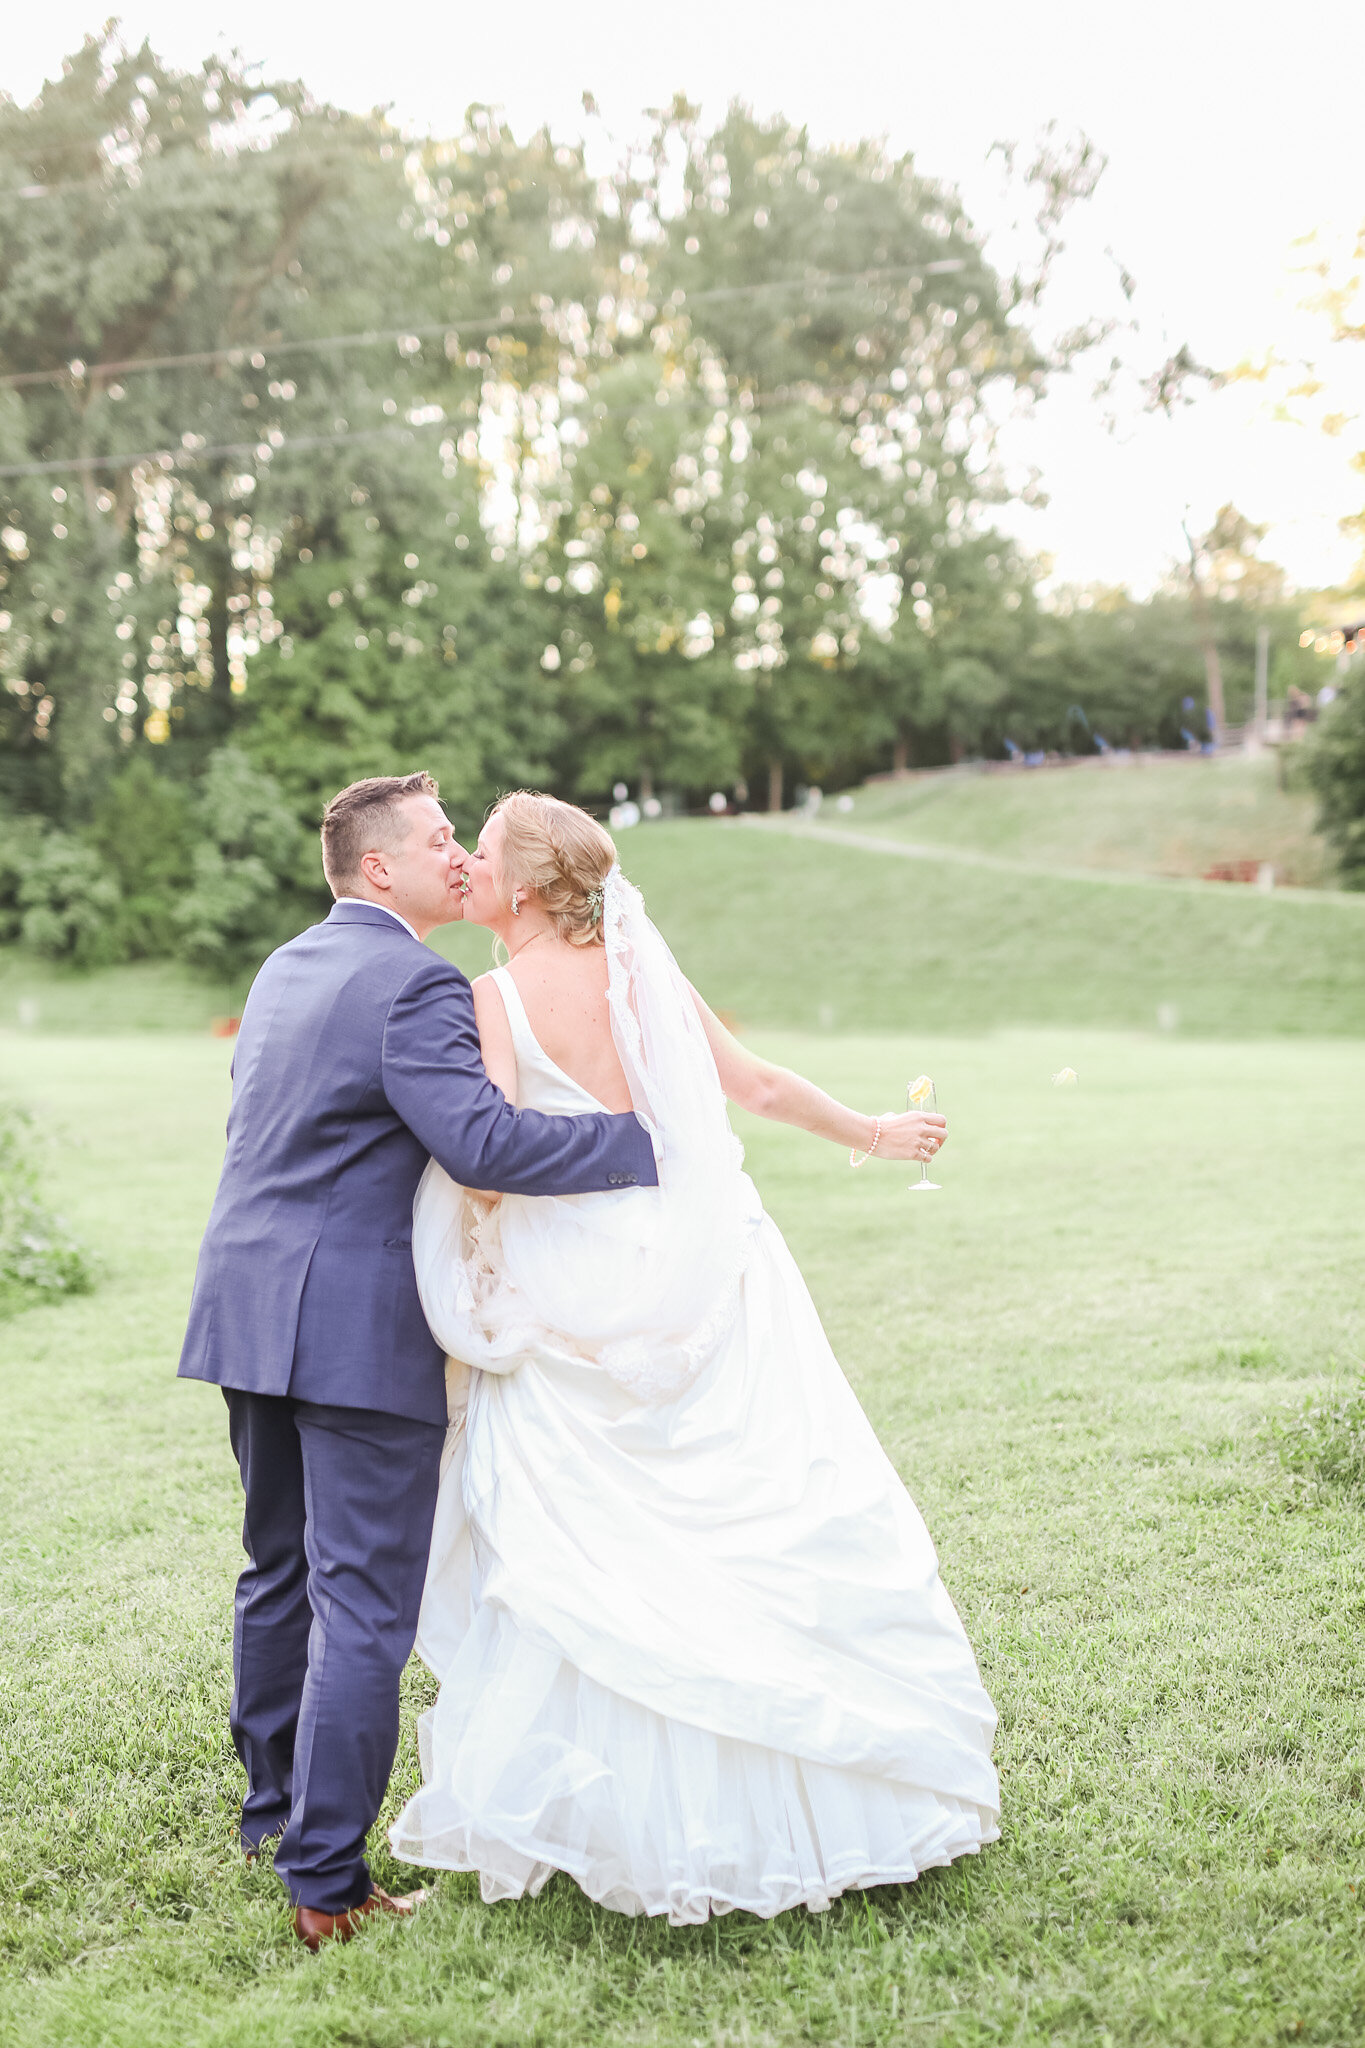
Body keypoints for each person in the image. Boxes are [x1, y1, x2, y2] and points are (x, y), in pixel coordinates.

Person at [391, 790, 998, 1924]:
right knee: (756, 1502)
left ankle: (612, 1811)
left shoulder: (496, 996)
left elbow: (489, 1167)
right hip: (705, 1269)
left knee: (595, 1543)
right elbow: (757, 1086)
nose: (467, 866)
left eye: (478, 852)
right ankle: (815, 1791)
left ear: (523, 887)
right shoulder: (644, 978)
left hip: (569, 1293)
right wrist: (874, 1130)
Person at [177, 773, 658, 1951]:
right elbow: (482, 1141)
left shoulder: (284, 967)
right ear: (377, 866)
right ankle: (327, 1878)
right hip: (351, 1329)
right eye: (440, 839)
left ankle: (272, 1815)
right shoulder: (416, 981)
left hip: (245, 1307)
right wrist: (646, 1138)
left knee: (276, 1570)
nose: (458, 855)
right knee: (362, 1605)